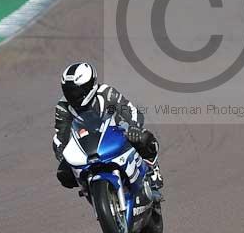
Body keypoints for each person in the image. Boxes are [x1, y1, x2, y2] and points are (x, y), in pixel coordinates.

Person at [52, 62, 163, 191]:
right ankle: (91, 192)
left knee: (145, 138)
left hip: (116, 135)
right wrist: (63, 157)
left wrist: (134, 126)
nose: (72, 96)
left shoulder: (106, 93)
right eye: (68, 91)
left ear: (90, 86)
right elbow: (60, 136)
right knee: (64, 174)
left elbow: (131, 110)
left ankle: (153, 169)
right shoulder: (63, 107)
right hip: (87, 145)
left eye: (76, 92)